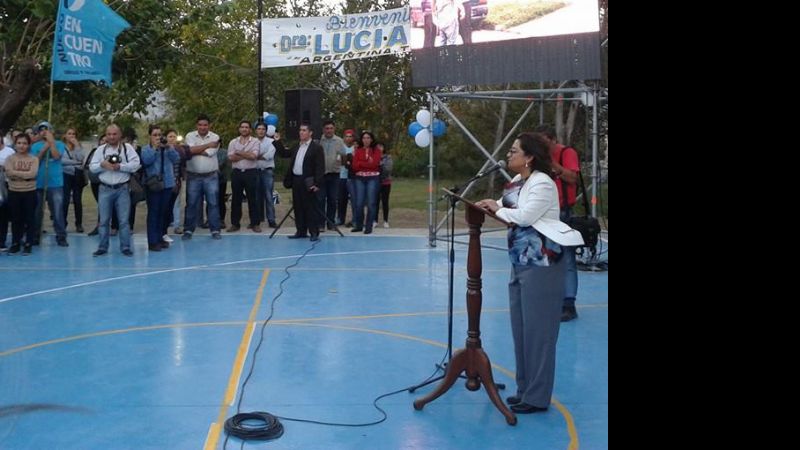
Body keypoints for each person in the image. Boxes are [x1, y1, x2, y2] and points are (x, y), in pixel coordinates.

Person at [475, 132, 582, 414]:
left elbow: (523, 216)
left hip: (542, 264)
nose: (509, 155)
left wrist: (499, 208)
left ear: (529, 157)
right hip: (521, 260)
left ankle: (536, 396)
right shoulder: (518, 182)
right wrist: (490, 206)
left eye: (514, 151)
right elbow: (505, 209)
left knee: (539, 332)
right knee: (521, 329)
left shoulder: (543, 183)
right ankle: (524, 389)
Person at [534, 124, 581, 322]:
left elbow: (572, 178)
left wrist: (553, 164)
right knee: (544, 256)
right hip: (542, 212)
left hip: (562, 212)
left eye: (545, 143)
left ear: (553, 140)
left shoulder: (566, 153)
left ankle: (568, 303)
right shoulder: (537, 158)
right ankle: (549, 299)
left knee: (567, 259)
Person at [88, 124, 141, 256]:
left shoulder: (127, 148)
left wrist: (120, 166)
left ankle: (125, 247)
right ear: (106, 135)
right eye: (109, 134)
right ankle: (102, 247)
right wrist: (102, 165)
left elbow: (136, 164)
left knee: (124, 221)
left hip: (122, 188)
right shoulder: (100, 150)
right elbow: (92, 167)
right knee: (104, 220)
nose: (111, 137)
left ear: (120, 135)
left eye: (114, 134)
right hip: (105, 188)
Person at [273, 123, 325, 241]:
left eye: (304, 130)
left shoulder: (316, 147)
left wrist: (317, 183)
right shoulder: (297, 146)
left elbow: (320, 167)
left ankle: (314, 232)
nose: (301, 132)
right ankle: (301, 231)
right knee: (298, 207)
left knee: (310, 207)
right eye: (300, 130)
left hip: (308, 181)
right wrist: (277, 142)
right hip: (297, 180)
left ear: (310, 132)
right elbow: (285, 154)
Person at [182, 114, 222, 240]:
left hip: (211, 176)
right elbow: (189, 151)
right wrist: (207, 145)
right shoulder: (189, 135)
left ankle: (215, 230)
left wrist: (195, 149)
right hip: (193, 176)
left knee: (213, 203)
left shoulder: (215, 137)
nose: (203, 127)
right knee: (191, 203)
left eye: (205, 125)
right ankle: (188, 230)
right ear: (196, 125)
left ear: (209, 126)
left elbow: (210, 153)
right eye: (200, 125)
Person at [141, 125, 180, 251]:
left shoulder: (167, 148)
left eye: (159, 135)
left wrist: (169, 147)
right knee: (154, 212)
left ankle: (160, 237)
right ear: (150, 136)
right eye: (155, 135)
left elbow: (177, 159)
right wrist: (155, 149)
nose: (158, 137)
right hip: (153, 185)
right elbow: (146, 161)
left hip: (167, 184)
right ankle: (152, 241)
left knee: (163, 212)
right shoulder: (146, 149)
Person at [30, 121, 68, 247]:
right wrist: (44, 148)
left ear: (51, 131)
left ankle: (61, 236)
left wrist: (51, 143)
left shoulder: (59, 144)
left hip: (55, 183)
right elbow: (35, 161)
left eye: (47, 129)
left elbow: (56, 156)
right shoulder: (35, 146)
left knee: (57, 211)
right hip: (39, 183)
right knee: (37, 212)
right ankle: (35, 236)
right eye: (41, 130)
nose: (44, 132)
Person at [4, 134, 39, 254]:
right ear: (15, 144)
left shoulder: (33, 159)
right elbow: (8, 172)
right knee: (16, 219)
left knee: (29, 218)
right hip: (14, 191)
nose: (21, 146)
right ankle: (15, 242)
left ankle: (28, 242)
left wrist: (17, 174)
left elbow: (32, 174)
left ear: (28, 145)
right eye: (19, 143)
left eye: (24, 143)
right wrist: (24, 175)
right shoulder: (10, 159)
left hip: (29, 191)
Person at [351, 131, 382, 234]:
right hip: (360, 178)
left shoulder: (377, 151)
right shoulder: (358, 151)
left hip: (373, 178)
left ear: (371, 139)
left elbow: (375, 164)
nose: (366, 140)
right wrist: (366, 163)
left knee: (371, 203)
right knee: (359, 203)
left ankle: (368, 226)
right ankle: (359, 225)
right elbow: (354, 166)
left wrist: (361, 164)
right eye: (364, 138)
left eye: (368, 138)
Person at [61, 127, 86, 233]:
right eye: (69, 133)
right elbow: (62, 161)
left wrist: (76, 146)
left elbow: (80, 159)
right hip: (66, 174)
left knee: (77, 200)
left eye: (74, 134)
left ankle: (79, 224)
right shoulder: (61, 147)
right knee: (65, 200)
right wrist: (75, 162)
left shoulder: (79, 146)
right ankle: (63, 223)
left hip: (77, 175)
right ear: (65, 136)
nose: (71, 136)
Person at [377, 143, 393, 228]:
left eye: (381, 146)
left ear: (383, 148)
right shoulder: (374, 156)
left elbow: (389, 169)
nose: (379, 148)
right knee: (375, 202)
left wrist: (381, 164)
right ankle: (374, 221)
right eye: (377, 147)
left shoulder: (388, 157)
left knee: (385, 202)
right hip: (376, 182)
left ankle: (386, 221)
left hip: (386, 182)